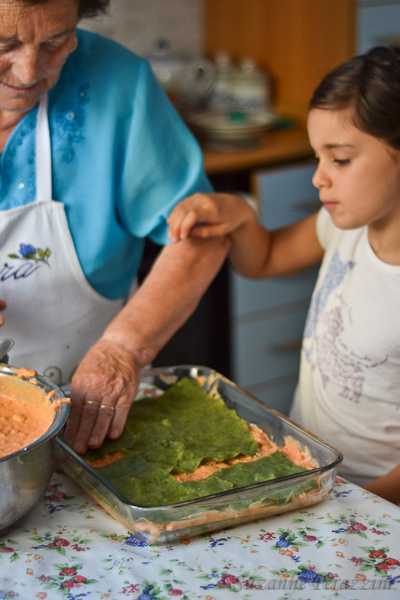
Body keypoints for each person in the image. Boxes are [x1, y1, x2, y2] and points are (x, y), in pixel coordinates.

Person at [168, 45, 400, 504]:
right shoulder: (341, 226)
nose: (319, 177)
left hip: (373, 505)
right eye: (317, 157)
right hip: (310, 470)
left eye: (340, 158)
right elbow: (265, 259)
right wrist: (241, 216)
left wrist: (357, 509)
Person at [0, 0, 229, 455]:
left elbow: (202, 233)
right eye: (4, 44)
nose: (29, 72)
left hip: (91, 417)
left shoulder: (119, 84)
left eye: (56, 41)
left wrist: (123, 348)